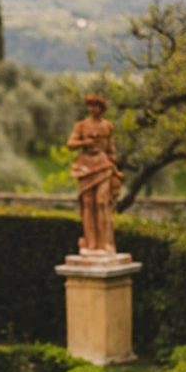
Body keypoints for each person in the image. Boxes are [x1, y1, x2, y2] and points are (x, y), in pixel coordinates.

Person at [67, 94, 123, 254]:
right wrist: (84, 143)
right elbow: (70, 144)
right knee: (88, 203)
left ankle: (105, 243)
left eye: (95, 106)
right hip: (85, 166)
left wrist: (116, 173)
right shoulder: (81, 125)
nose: (92, 109)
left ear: (101, 108)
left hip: (103, 165)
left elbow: (111, 151)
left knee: (101, 202)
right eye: (90, 106)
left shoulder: (107, 126)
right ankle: (91, 242)